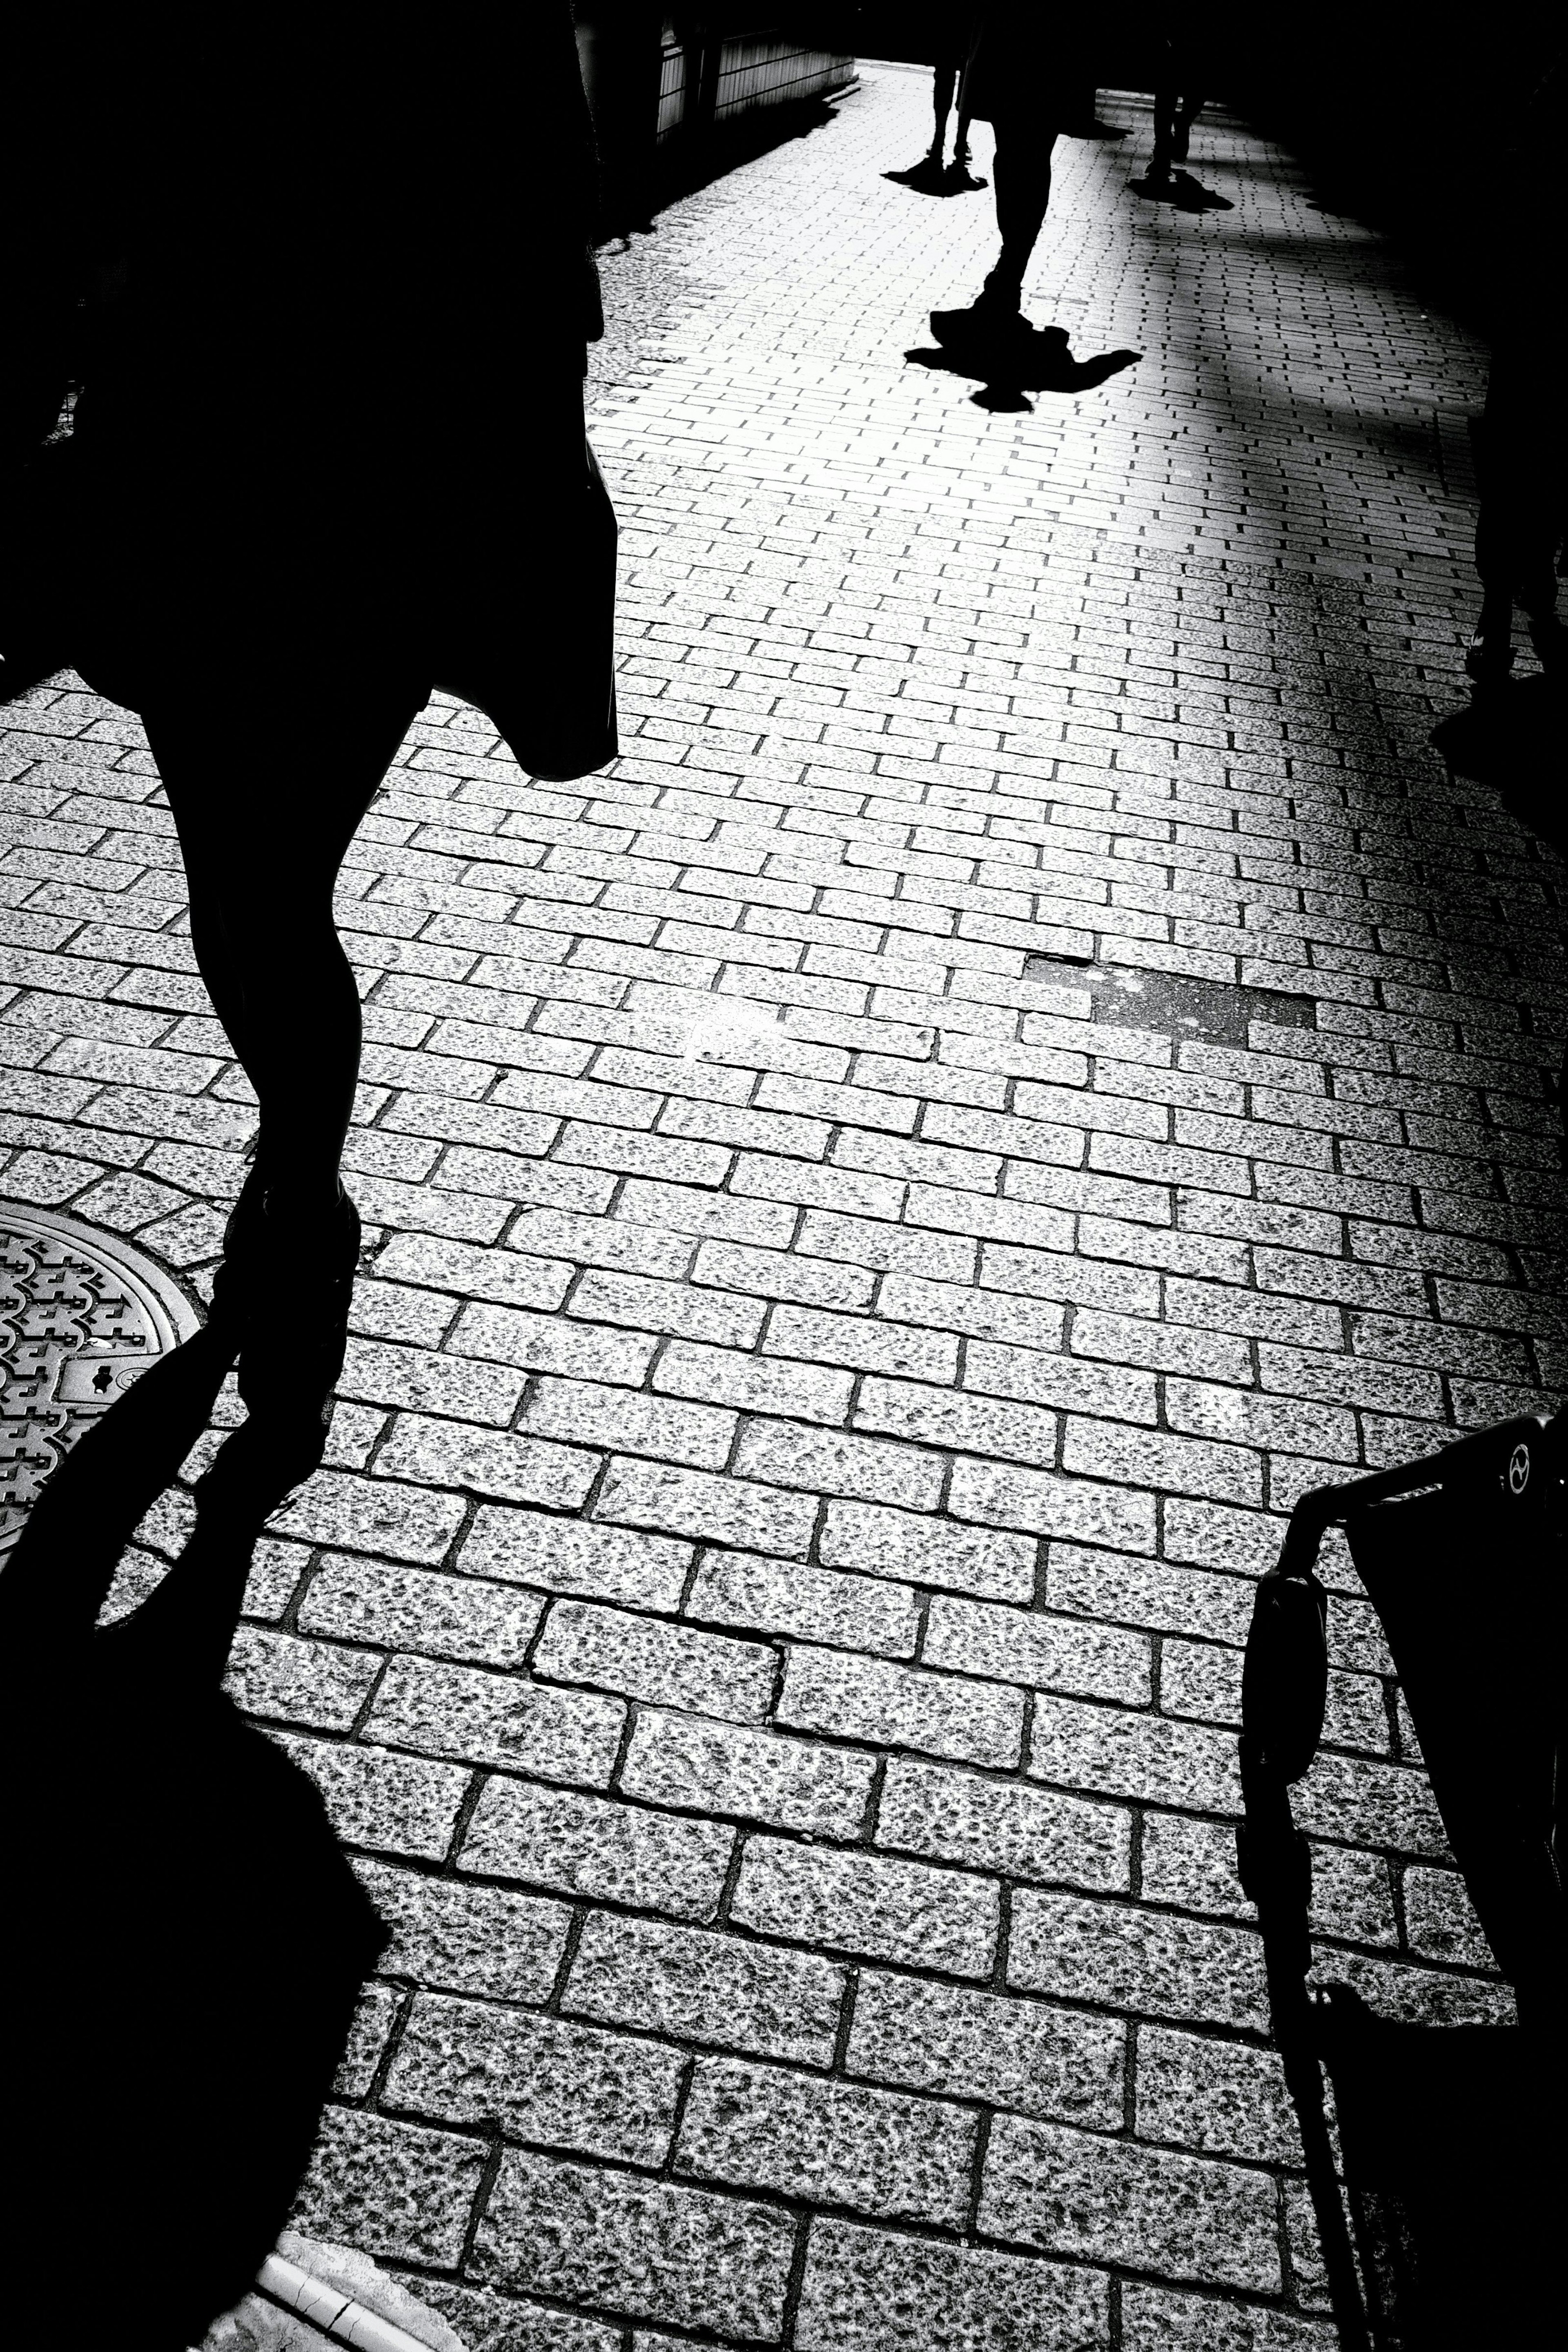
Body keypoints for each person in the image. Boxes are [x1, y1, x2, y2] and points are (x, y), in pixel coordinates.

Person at [2, 2, 615, 1468]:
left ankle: (301, 1181)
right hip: (304, 464)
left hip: (302, 462)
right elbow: (552, 253)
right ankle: (300, 1181)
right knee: (261, 888)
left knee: (257, 887)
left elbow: (81, 159)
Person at [931, 5, 1099, 341]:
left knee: (1011, 157)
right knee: (1033, 158)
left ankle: (1011, 260)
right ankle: (1013, 260)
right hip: (1053, 44)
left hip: (1008, 42)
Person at [1148, 32, 1205, 184]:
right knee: (1185, 100)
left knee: (1165, 103)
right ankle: (1164, 153)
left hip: (1177, 53)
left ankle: (1162, 154)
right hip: (1194, 55)